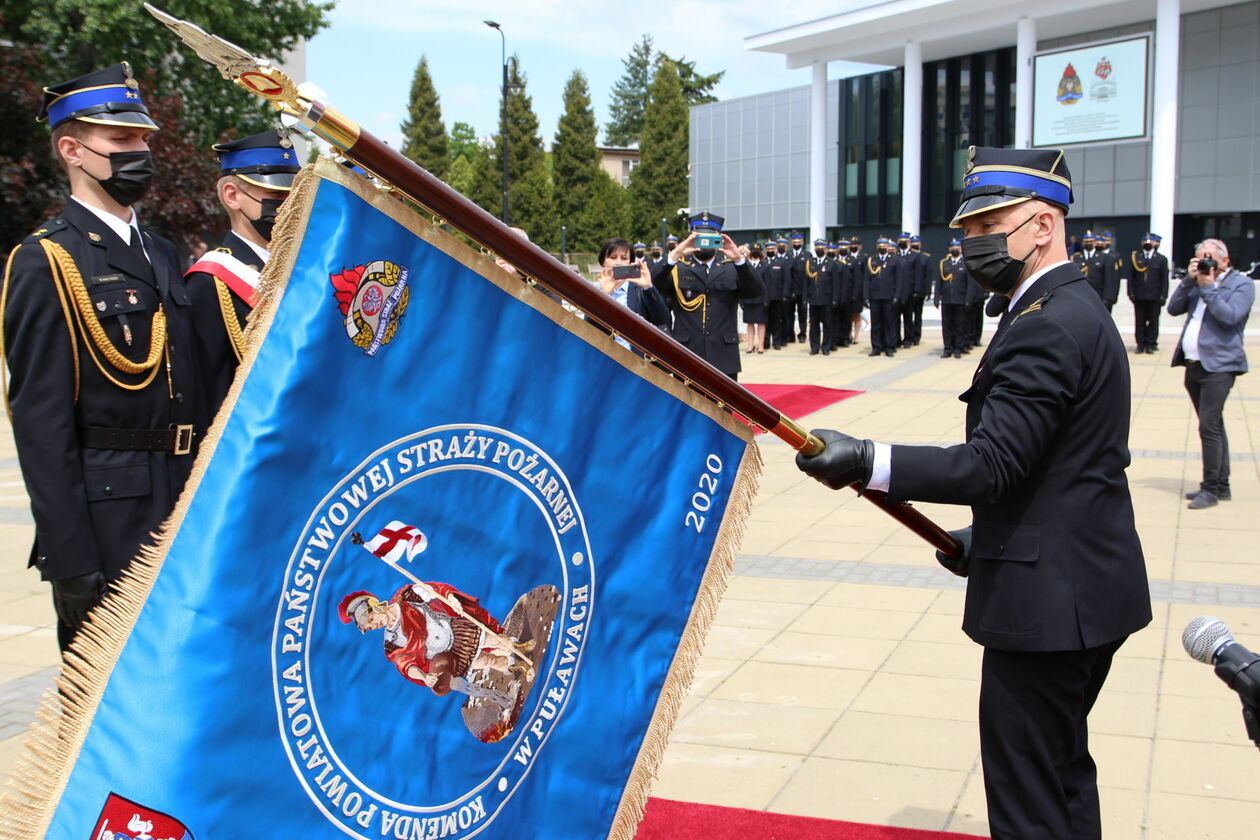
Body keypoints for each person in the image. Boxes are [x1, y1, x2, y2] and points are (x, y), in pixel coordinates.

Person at [796, 146, 1151, 840]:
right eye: (966, 231)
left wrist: (869, 460)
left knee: (1029, 801)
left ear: (1042, 225)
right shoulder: (1071, 305)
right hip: (1084, 587)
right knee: (1062, 776)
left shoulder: (1048, 322)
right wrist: (987, 540)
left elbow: (992, 465)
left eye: (988, 228)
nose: (968, 244)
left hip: (1050, 609)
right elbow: (1060, 469)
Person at [1, 63, 202, 651]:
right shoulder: (46, 261)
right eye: (121, 140)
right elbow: (41, 425)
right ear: (72, 149)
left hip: (182, 501)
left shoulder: (162, 251)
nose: (140, 149)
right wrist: (70, 559)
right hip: (111, 516)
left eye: (142, 137)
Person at [185, 129, 301, 427]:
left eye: (294, 195)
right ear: (233, 196)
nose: (288, 205)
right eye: (276, 195)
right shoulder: (209, 282)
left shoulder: (304, 270)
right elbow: (205, 392)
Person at [1169, 238, 1254, 509]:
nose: (1205, 263)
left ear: (1225, 260)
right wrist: (1189, 281)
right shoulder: (1197, 281)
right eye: (1200, 258)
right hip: (1194, 364)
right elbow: (1173, 308)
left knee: (1208, 426)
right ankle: (1222, 484)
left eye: (1209, 258)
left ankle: (1210, 489)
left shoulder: (1241, 284)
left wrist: (1209, 287)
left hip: (1220, 365)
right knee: (1214, 425)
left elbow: (1230, 317)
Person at [650, 212, 763, 381]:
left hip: (724, 353)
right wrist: (675, 255)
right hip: (687, 351)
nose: (705, 243)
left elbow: (755, 291)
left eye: (711, 238)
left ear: (719, 239)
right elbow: (651, 286)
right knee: (687, 405)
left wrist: (739, 259)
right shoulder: (678, 268)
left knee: (722, 406)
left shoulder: (732, 268)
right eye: (700, 238)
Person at [592, 237, 669, 354]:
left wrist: (648, 287)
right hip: (604, 359)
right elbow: (587, 327)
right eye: (612, 257)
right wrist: (603, 296)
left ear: (630, 262)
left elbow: (662, 318)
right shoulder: (594, 290)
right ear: (603, 261)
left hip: (636, 361)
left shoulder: (638, 289)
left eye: (624, 258)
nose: (618, 263)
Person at [1126, 232, 1170, 354]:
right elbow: (1131, 277)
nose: (1147, 245)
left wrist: (1163, 295)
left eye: (1149, 243)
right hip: (1139, 295)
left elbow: (1164, 279)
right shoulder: (1136, 257)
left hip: (1155, 296)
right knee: (1139, 321)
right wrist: (1130, 293)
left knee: (1153, 321)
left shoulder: (1161, 259)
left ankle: (1150, 343)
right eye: (1145, 243)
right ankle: (1140, 344)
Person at [863, 237, 900, 357]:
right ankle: (876, 347)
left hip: (889, 296)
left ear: (888, 247)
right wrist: (866, 296)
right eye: (880, 246)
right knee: (876, 323)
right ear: (877, 247)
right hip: (875, 296)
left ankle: (889, 347)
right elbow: (867, 279)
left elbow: (899, 279)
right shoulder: (872, 260)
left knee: (889, 323)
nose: (882, 247)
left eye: (884, 245)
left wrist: (897, 295)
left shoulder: (894, 260)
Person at [934, 238, 969, 358]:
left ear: (961, 249)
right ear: (949, 249)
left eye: (957, 247)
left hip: (960, 299)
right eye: (953, 247)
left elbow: (969, 283)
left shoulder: (965, 263)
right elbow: (939, 282)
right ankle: (947, 348)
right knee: (947, 325)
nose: (955, 249)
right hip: (947, 299)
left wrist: (968, 299)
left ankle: (958, 348)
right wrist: (936, 298)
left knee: (959, 325)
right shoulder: (944, 263)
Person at [804, 238, 834, 355]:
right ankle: (814, 346)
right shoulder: (810, 262)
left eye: (821, 248)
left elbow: (835, 282)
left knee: (827, 324)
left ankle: (826, 347)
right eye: (817, 248)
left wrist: (835, 298)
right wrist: (805, 297)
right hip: (814, 299)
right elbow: (806, 282)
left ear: (826, 249)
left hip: (826, 298)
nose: (819, 250)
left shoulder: (831, 263)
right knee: (814, 325)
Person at [742, 241, 770, 354]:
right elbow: (742, 282)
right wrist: (741, 299)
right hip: (748, 299)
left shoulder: (765, 265)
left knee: (761, 323)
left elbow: (768, 284)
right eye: (754, 251)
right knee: (749, 323)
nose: (755, 253)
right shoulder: (746, 264)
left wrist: (766, 300)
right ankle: (750, 345)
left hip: (760, 299)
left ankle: (761, 346)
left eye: (757, 252)